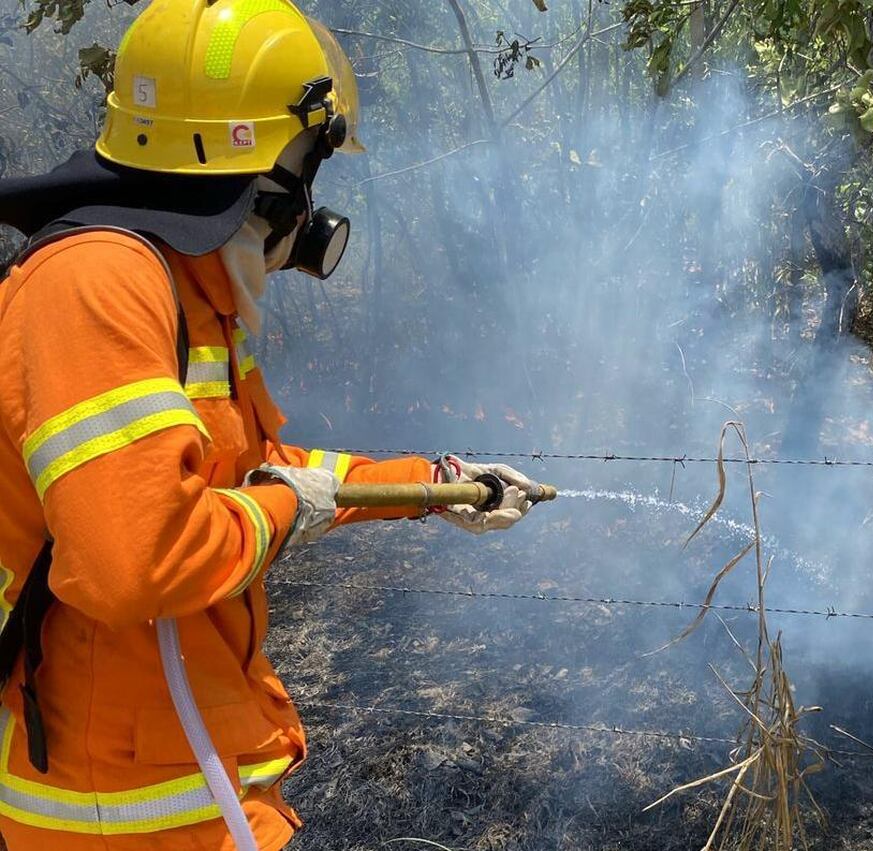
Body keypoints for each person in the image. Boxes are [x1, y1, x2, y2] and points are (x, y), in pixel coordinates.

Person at [0, 1, 539, 847]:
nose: (309, 207)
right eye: (305, 167)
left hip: (194, 770)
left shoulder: (187, 290)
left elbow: (260, 467)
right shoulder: (95, 284)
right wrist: (290, 509)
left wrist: (430, 487)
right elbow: (137, 561)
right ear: (243, 163)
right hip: (121, 802)